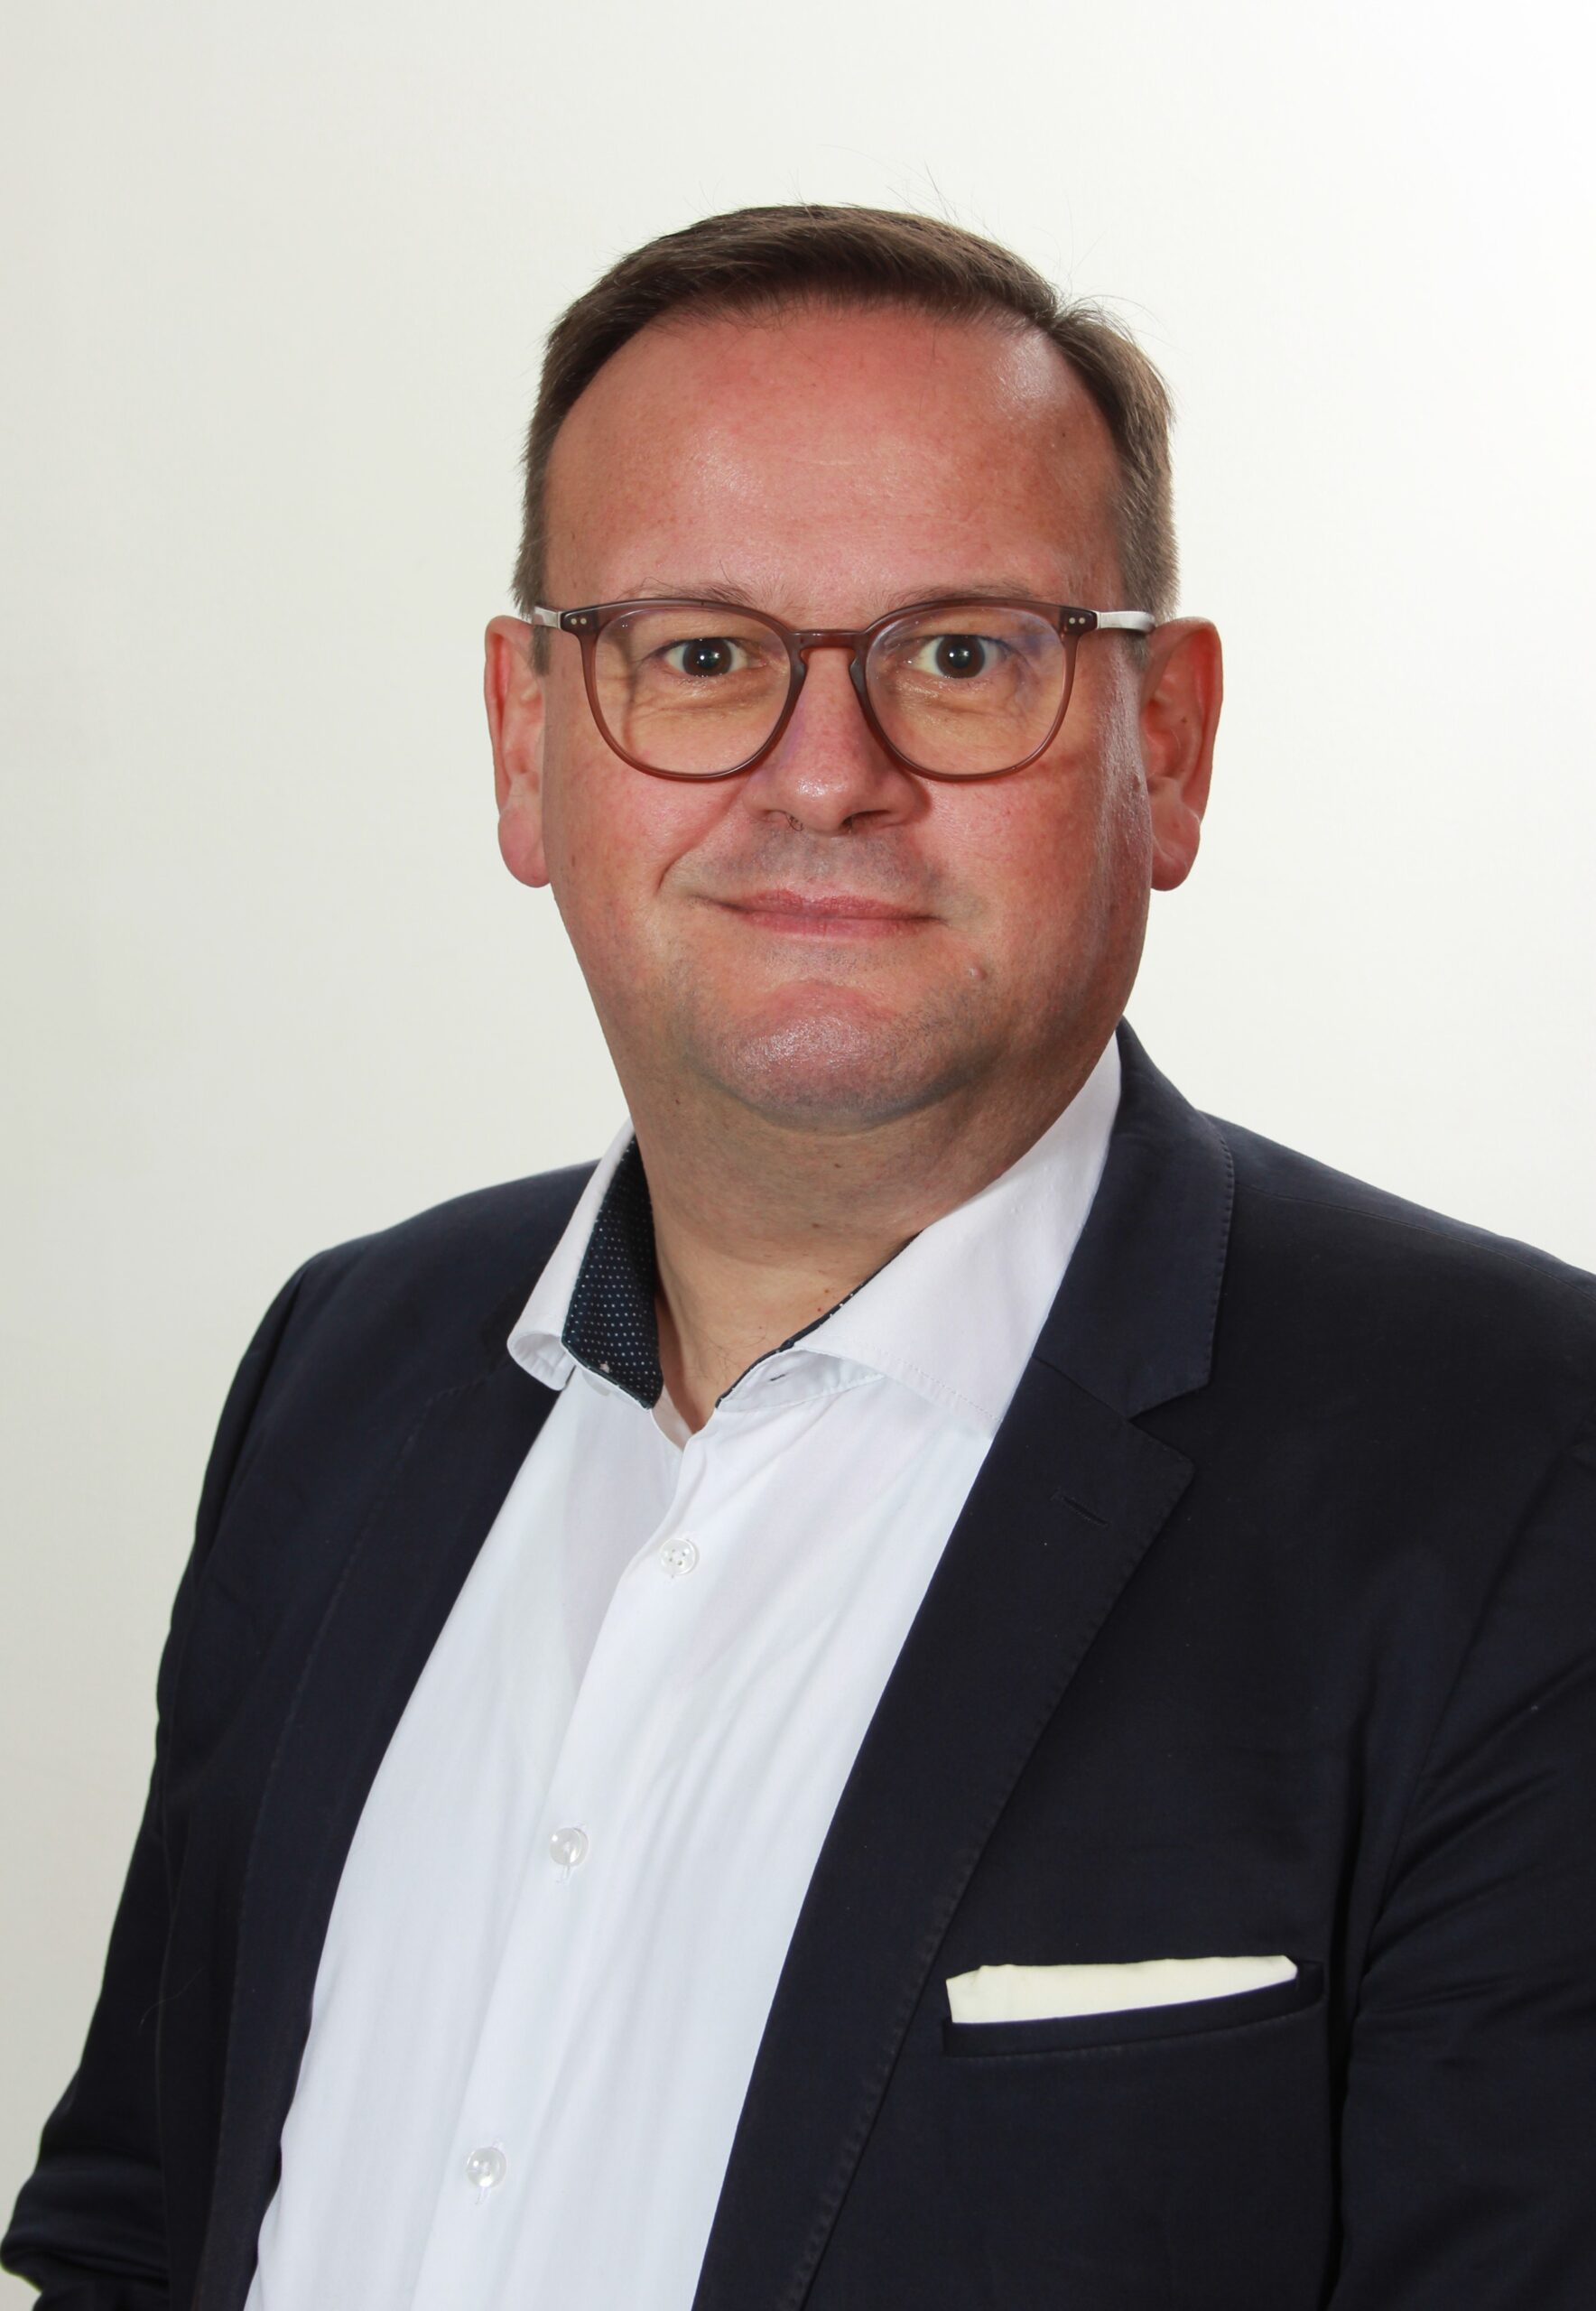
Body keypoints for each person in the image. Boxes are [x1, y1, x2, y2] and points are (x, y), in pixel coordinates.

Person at [5, 203, 1593, 2311]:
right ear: (522, 739)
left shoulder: (1519, 1467)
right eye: (697, 654)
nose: (824, 776)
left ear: (1168, 742)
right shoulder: (344, 1366)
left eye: (960, 655)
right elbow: (138, 2211)